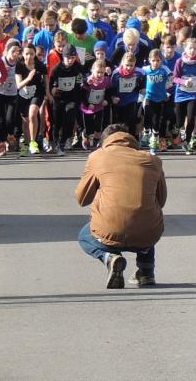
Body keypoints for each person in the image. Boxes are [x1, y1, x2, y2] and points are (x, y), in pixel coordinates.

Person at [76, 123, 168, 289]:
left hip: (110, 230)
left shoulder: (97, 157)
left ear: (105, 141)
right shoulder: (152, 160)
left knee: (84, 235)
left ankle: (109, 257)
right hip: (147, 233)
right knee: (147, 214)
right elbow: (161, 201)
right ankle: (146, 272)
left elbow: (82, 199)